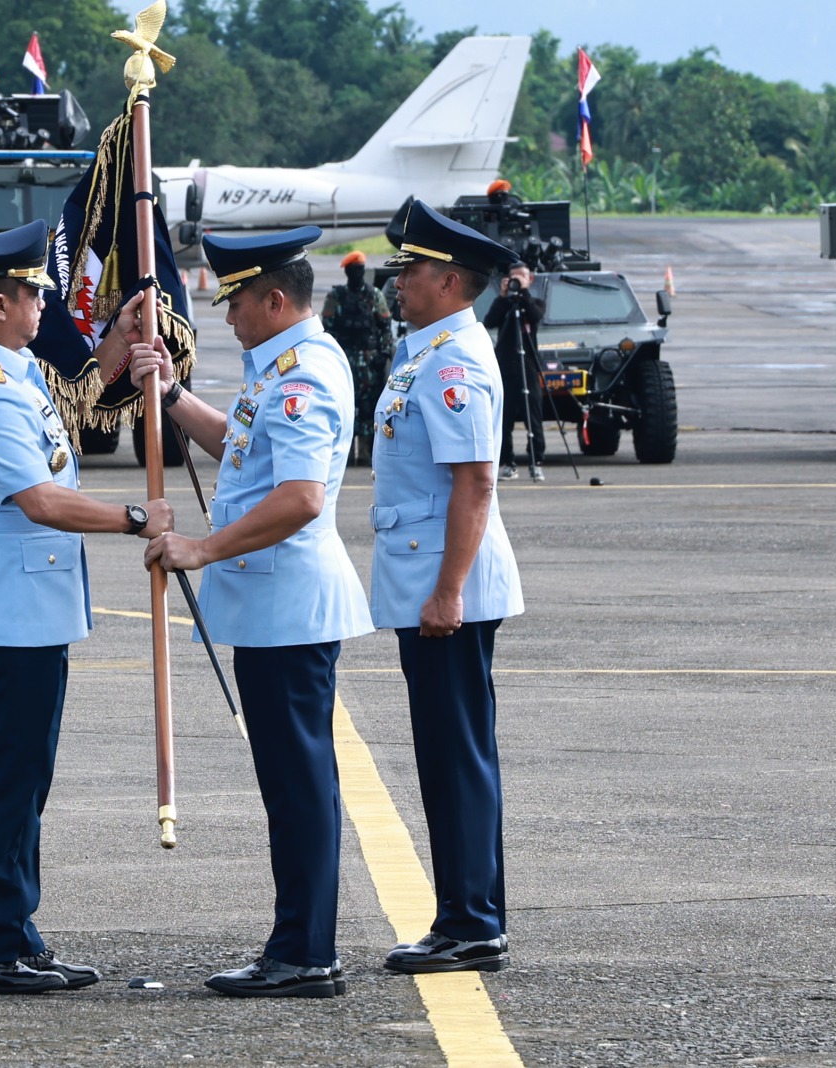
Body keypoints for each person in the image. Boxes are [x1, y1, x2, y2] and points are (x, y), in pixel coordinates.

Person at [128, 226, 373, 998]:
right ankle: (299, 943)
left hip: (288, 608)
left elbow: (298, 498)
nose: (227, 316)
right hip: (274, 607)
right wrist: (171, 395)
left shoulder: (305, 376)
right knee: (292, 783)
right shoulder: (285, 367)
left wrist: (202, 549)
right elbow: (241, 446)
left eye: (235, 301)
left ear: (275, 298)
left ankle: (305, 952)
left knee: (299, 786)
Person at [0, 220, 172, 996]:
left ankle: (13, 930)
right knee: (8, 778)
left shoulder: (11, 369)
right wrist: (135, 517)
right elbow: (41, 500)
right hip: (13, 609)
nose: (43, 302)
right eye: (33, 292)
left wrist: (122, 339)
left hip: (31, 606)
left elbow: (72, 405)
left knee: (24, 777)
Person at [370, 199, 525, 974]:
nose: (400, 282)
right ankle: (468, 914)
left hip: (446, 592)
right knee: (447, 753)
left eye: (413, 271)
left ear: (452, 281)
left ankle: (471, 922)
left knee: (455, 756)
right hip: (428, 583)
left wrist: (448, 591)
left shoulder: (456, 359)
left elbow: (475, 484)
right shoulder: (425, 348)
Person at [321, 250, 393, 463]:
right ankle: (347, 452)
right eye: (354, 271)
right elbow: (328, 328)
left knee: (369, 406)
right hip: (344, 360)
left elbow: (385, 327)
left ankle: (366, 453)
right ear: (348, 272)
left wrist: (384, 353)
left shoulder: (374, 295)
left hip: (369, 362)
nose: (357, 274)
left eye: (360, 270)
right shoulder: (336, 297)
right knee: (344, 405)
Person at [482, 264, 546, 481]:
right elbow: (489, 322)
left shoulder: (534, 302)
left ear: (531, 279)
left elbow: (536, 315)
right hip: (505, 369)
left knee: (534, 416)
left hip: (528, 368)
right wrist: (502, 297)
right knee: (504, 418)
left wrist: (524, 293)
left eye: (522, 277)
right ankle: (508, 462)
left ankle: (536, 461)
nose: (518, 281)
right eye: (514, 278)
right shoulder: (505, 304)